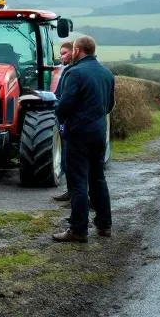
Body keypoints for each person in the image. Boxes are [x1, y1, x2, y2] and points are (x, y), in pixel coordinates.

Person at [52, 36, 116, 243]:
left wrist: (58, 111)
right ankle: (104, 223)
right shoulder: (106, 73)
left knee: (78, 181)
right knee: (98, 178)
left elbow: (64, 105)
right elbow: (109, 105)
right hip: (98, 132)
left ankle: (78, 229)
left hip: (78, 132)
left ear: (77, 49)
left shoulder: (75, 72)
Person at [51, 40, 76, 203]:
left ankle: (77, 197)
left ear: (74, 52)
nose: (61, 57)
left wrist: (59, 112)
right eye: (60, 54)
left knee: (74, 162)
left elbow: (65, 99)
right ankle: (70, 191)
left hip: (72, 123)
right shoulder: (65, 71)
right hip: (65, 122)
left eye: (64, 53)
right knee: (67, 161)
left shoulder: (72, 73)